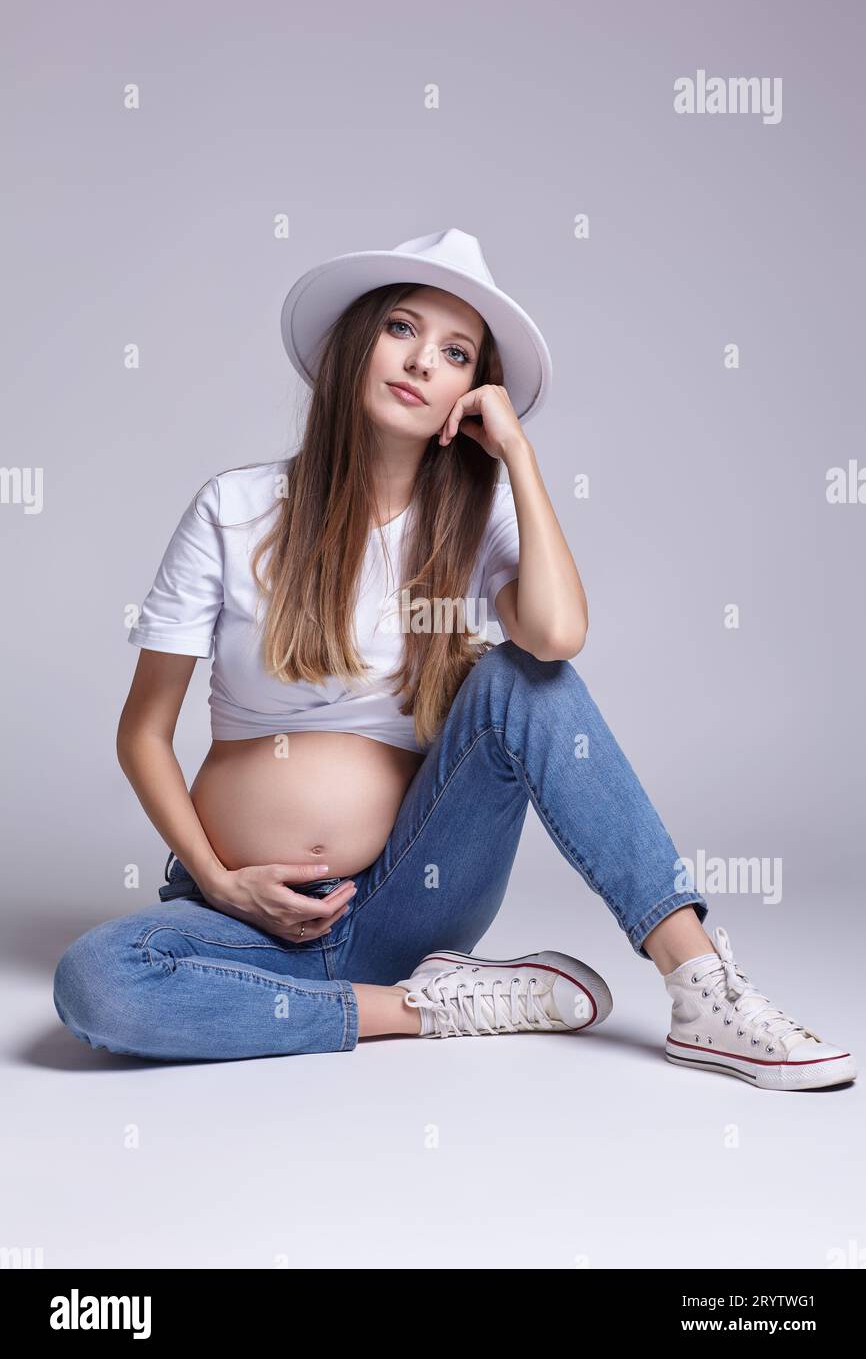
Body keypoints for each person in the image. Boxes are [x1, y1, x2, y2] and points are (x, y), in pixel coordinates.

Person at [52, 228, 855, 1091]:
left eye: (456, 352)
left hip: (408, 901)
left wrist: (518, 455)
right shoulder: (236, 507)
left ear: (473, 392)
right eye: (401, 328)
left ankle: (703, 990)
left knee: (523, 678)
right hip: (237, 915)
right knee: (98, 982)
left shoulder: (479, 522)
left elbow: (556, 637)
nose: (422, 361)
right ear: (356, 345)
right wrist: (220, 879)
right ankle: (431, 1008)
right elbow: (142, 732)